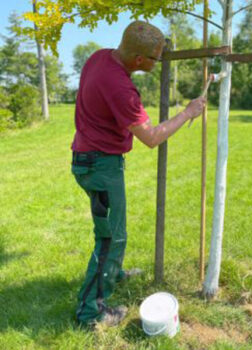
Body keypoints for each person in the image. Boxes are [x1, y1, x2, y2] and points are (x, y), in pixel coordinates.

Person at [71, 20, 206, 328]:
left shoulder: (100, 56)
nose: (159, 64)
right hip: (99, 166)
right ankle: (91, 312)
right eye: (156, 59)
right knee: (111, 238)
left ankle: (114, 274)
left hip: (93, 159)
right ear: (138, 61)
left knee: (111, 229)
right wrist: (187, 113)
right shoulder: (121, 88)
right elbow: (152, 137)